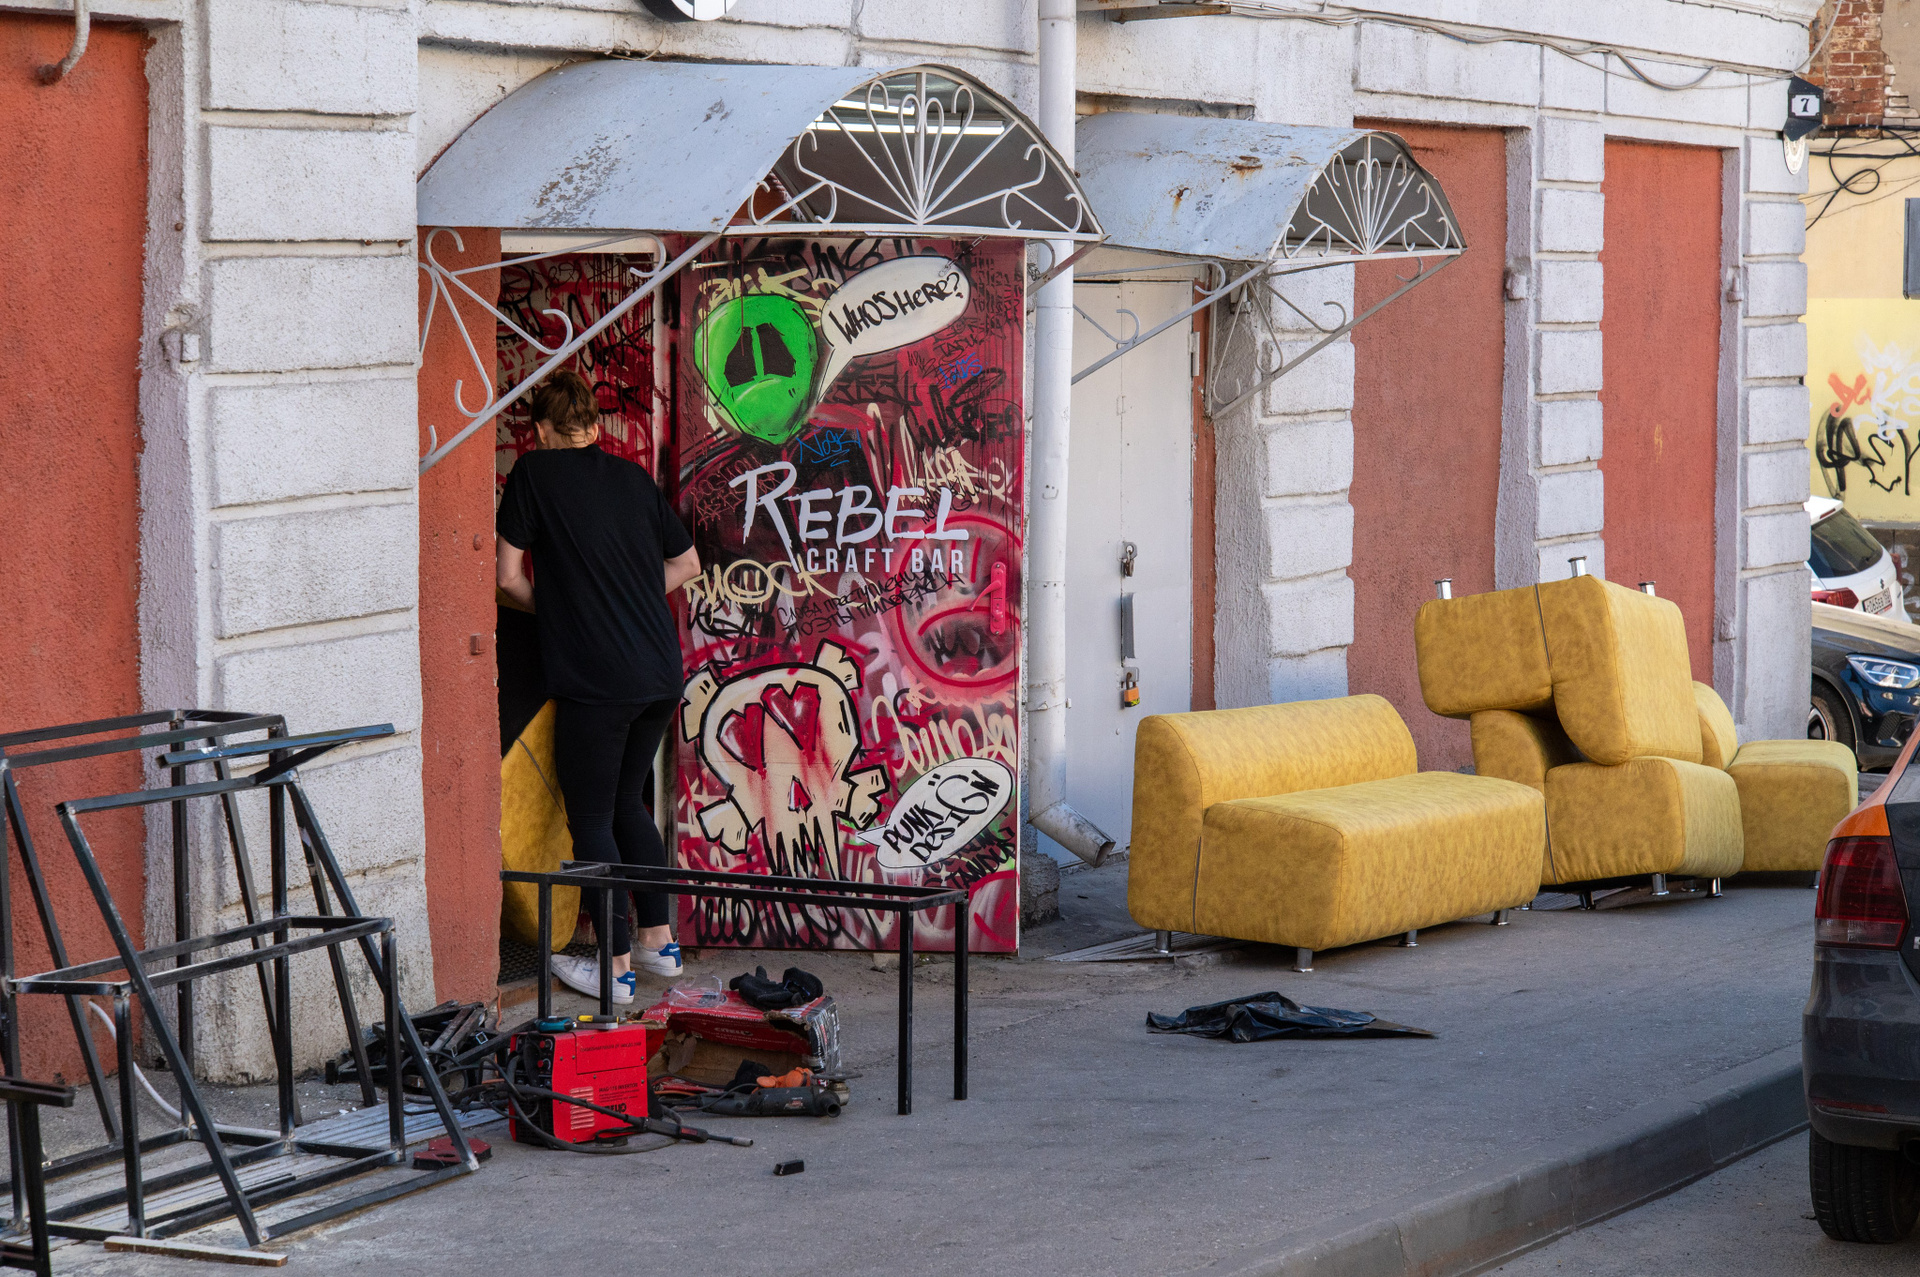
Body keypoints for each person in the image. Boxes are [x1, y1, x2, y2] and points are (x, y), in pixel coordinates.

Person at [495, 369, 701, 1005]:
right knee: (625, 805)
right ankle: (658, 943)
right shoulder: (633, 478)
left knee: (590, 818)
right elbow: (687, 563)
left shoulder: (532, 474)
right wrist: (625, 600)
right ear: (591, 423)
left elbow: (507, 578)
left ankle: (614, 971)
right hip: (658, 674)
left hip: (597, 678)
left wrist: (564, 613)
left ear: (542, 428)